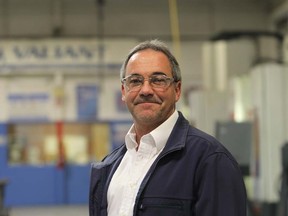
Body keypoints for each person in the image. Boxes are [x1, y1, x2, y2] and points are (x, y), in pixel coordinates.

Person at [89, 39, 247, 216]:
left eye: (158, 80)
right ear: (124, 91)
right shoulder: (108, 166)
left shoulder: (210, 161)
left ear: (177, 90)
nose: (146, 90)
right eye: (135, 81)